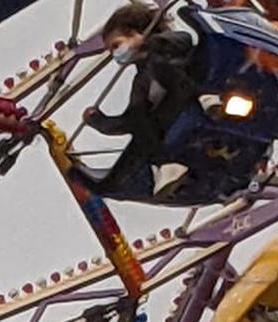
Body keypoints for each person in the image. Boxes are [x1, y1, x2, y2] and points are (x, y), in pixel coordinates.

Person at [82, 2, 198, 197]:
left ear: (132, 32)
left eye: (116, 45)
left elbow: (184, 40)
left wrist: (151, 43)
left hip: (194, 95)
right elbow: (133, 120)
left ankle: (207, 99)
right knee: (140, 120)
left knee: (162, 64)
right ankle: (162, 166)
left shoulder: (166, 46)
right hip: (173, 119)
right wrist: (100, 121)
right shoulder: (141, 81)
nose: (116, 55)